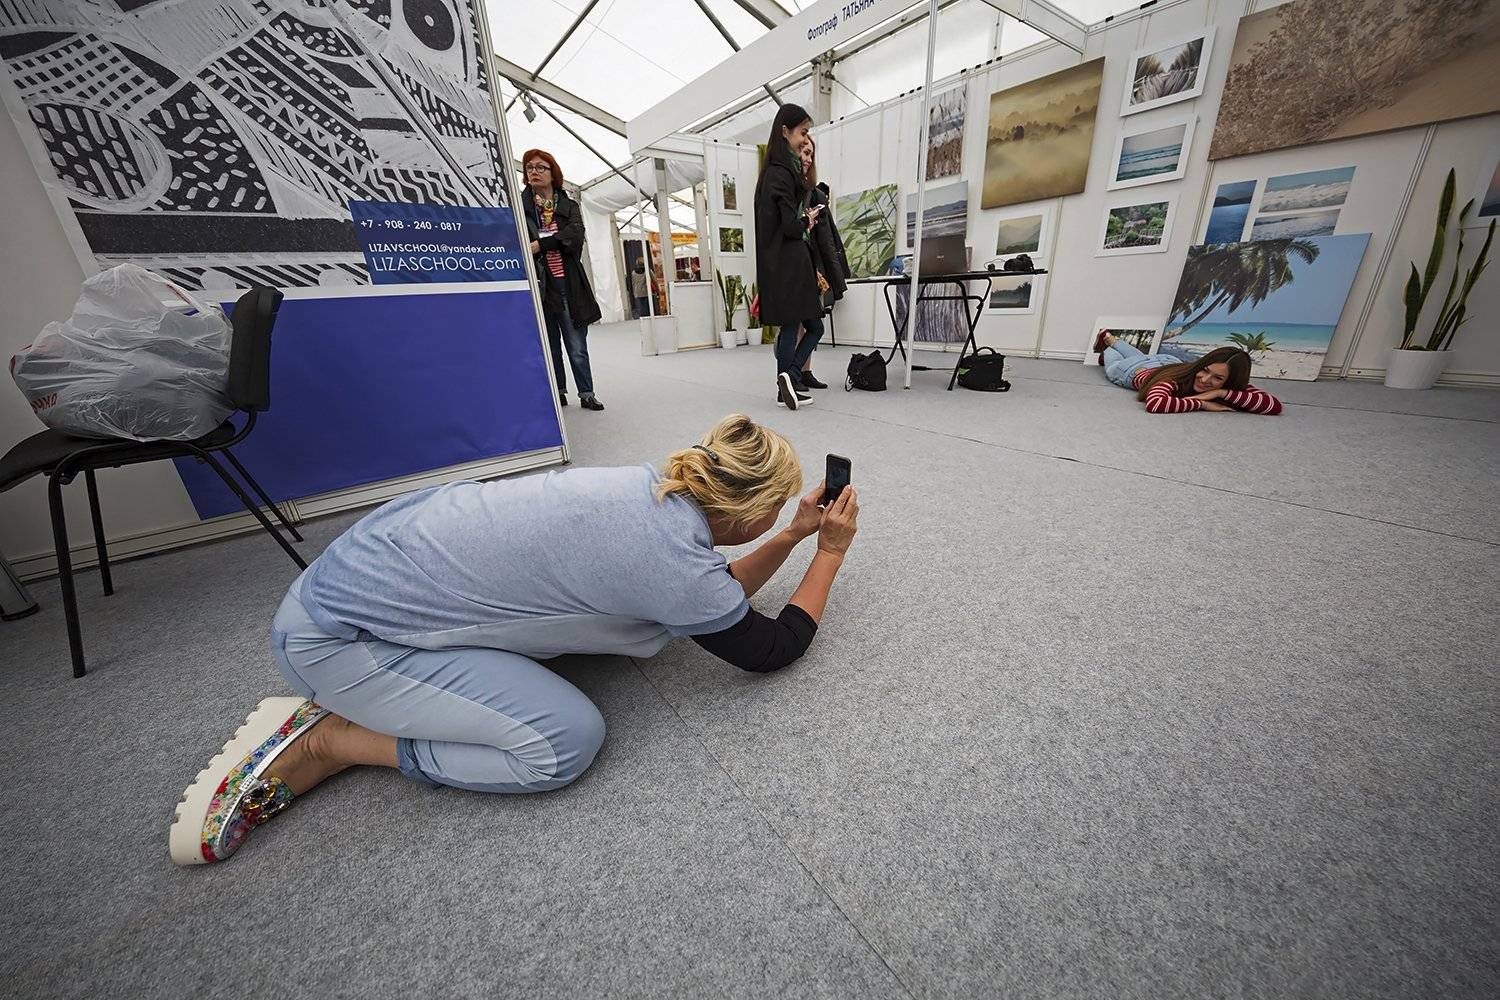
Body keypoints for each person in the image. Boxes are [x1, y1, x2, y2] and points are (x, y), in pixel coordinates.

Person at [168, 414, 861, 865]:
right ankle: (334, 740)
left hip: (345, 581)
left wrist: (794, 533)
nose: (780, 516)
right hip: (336, 641)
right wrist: (829, 552)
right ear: (745, 509)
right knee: (562, 744)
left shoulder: (648, 490)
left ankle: (365, 702)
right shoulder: (674, 564)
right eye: (775, 507)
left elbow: (712, 601)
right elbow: (770, 648)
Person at [521, 148, 604, 411]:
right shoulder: (521, 207)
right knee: (550, 345)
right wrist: (556, 241)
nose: (534, 172)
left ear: (552, 173)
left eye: (540, 167)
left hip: (568, 284)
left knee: (576, 345)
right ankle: (558, 391)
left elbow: (575, 236)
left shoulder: (568, 205)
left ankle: (587, 393)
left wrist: (542, 244)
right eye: (529, 167)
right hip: (540, 286)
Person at [754, 104, 825, 411]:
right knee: (810, 327)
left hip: (778, 264)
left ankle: (787, 384)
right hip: (792, 263)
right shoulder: (782, 175)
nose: (805, 140)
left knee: (795, 326)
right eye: (803, 132)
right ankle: (790, 377)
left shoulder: (770, 174)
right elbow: (790, 227)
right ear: (785, 131)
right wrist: (807, 220)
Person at [1093, 330, 1283, 414]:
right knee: (1111, 357)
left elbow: (1273, 405)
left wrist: (1219, 393)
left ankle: (1108, 336)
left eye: (1218, 378)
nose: (1205, 379)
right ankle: (1106, 346)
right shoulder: (1176, 379)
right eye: (1205, 369)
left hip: (1165, 362)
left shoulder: (1226, 388)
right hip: (1131, 370)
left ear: (1230, 381)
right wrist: (1202, 403)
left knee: (1139, 355)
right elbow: (1156, 403)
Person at [794, 137, 850, 390]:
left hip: (813, 265)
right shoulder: (787, 191)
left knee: (811, 321)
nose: (807, 158)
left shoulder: (815, 194)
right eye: (803, 152)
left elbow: (827, 238)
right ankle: (794, 373)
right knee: (797, 324)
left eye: (810, 154)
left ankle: (804, 371)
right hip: (794, 265)